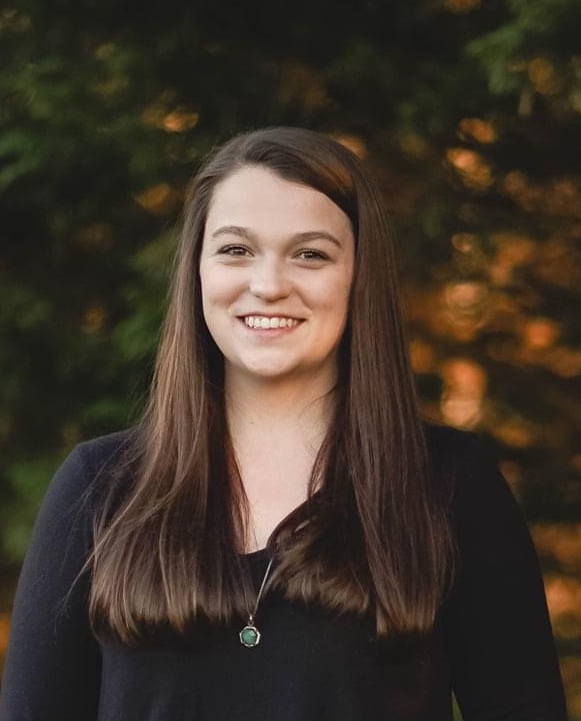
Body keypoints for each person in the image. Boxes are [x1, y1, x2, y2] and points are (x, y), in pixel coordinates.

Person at [0, 127, 568, 720]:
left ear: (359, 277)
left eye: (311, 254)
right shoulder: (100, 487)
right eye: (236, 250)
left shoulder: (449, 484)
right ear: (197, 271)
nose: (268, 285)